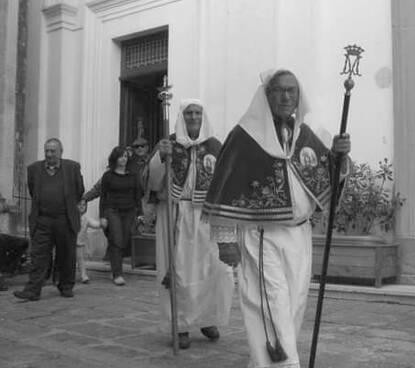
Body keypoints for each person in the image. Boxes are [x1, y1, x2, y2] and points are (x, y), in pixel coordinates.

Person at [202, 69, 351, 367]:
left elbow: (328, 178)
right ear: (266, 95)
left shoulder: (304, 135)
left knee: (293, 306)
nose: (286, 97)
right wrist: (225, 239)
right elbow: (225, 188)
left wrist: (340, 158)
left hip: (299, 235)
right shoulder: (244, 137)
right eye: (279, 91)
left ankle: (266, 363)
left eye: (292, 91)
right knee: (271, 307)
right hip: (262, 236)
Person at [144, 99, 234, 350]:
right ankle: (180, 324)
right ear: (182, 117)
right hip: (176, 213)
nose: (193, 117)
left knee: (214, 270)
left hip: (207, 215)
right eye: (189, 113)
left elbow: (228, 179)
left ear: (204, 117)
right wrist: (160, 158)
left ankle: (207, 319)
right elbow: (150, 181)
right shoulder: (168, 143)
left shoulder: (215, 146)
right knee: (179, 272)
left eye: (197, 113)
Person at [14, 138, 84, 301]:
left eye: (53, 151)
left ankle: (66, 286)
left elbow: (79, 190)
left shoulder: (72, 168)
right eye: (47, 151)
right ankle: (33, 290)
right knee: (38, 256)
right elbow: (33, 191)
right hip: (43, 220)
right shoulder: (34, 169)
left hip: (65, 220)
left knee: (66, 255)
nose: (49, 154)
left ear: (61, 152)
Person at [99, 146, 142, 286]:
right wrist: (102, 216)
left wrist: (140, 213)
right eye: (120, 156)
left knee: (123, 240)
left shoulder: (133, 176)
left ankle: (115, 266)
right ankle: (117, 273)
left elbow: (137, 195)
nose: (123, 159)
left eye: (125, 156)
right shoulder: (108, 176)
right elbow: (103, 197)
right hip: (112, 210)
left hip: (129, 211)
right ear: (115, 158)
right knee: (116, 240)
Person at [76, 201, 107, 283]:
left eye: (84, 205)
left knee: (80, 259)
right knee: (68, 259)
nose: (82, 207)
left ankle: (83, 275)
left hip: (79, 243)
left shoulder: (86, 218)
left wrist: (101, 224)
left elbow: (94, 224)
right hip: (69, 242)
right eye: (79, 205)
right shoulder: (71, 216)